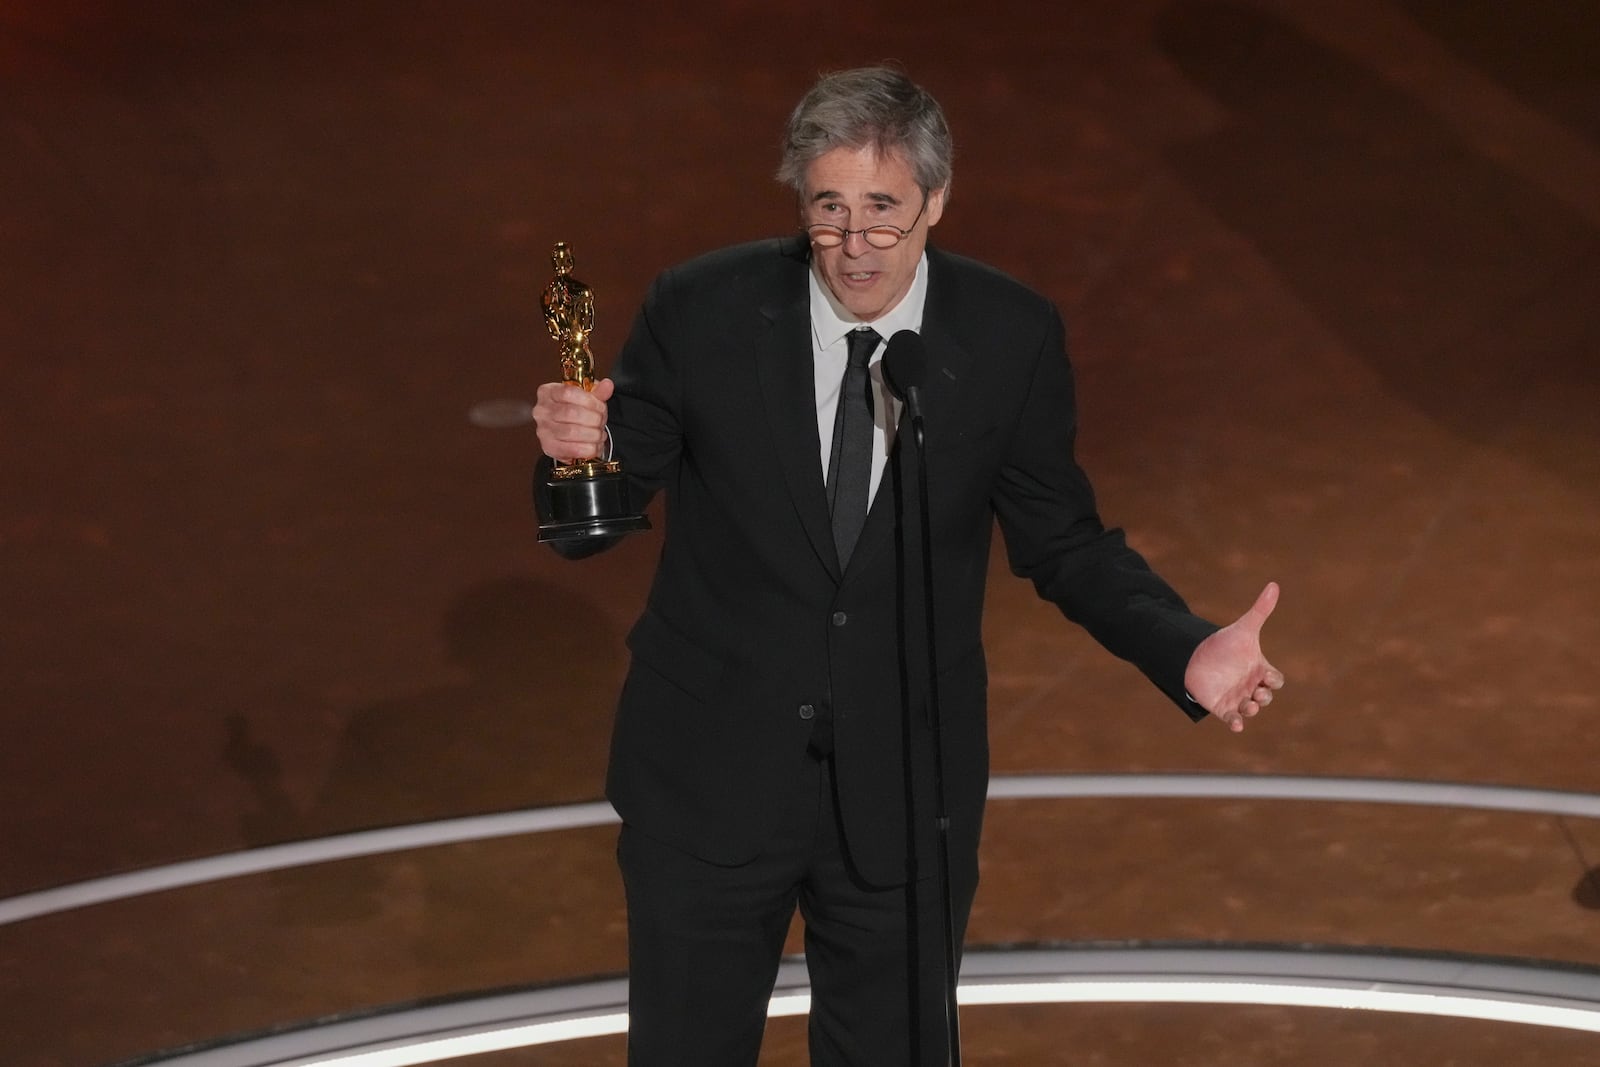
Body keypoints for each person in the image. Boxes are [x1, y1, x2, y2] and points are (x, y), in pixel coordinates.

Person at [532, 65, 1284, 1067]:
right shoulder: (703, 307)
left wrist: (1182, 649)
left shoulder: (1005, 334)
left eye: (881, 213)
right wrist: (574, 455)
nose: (853, 247)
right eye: (828, 210)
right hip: (708, 776)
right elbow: (600, 519)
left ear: (935, 199)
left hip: (903, 789)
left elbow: (1061, 542)